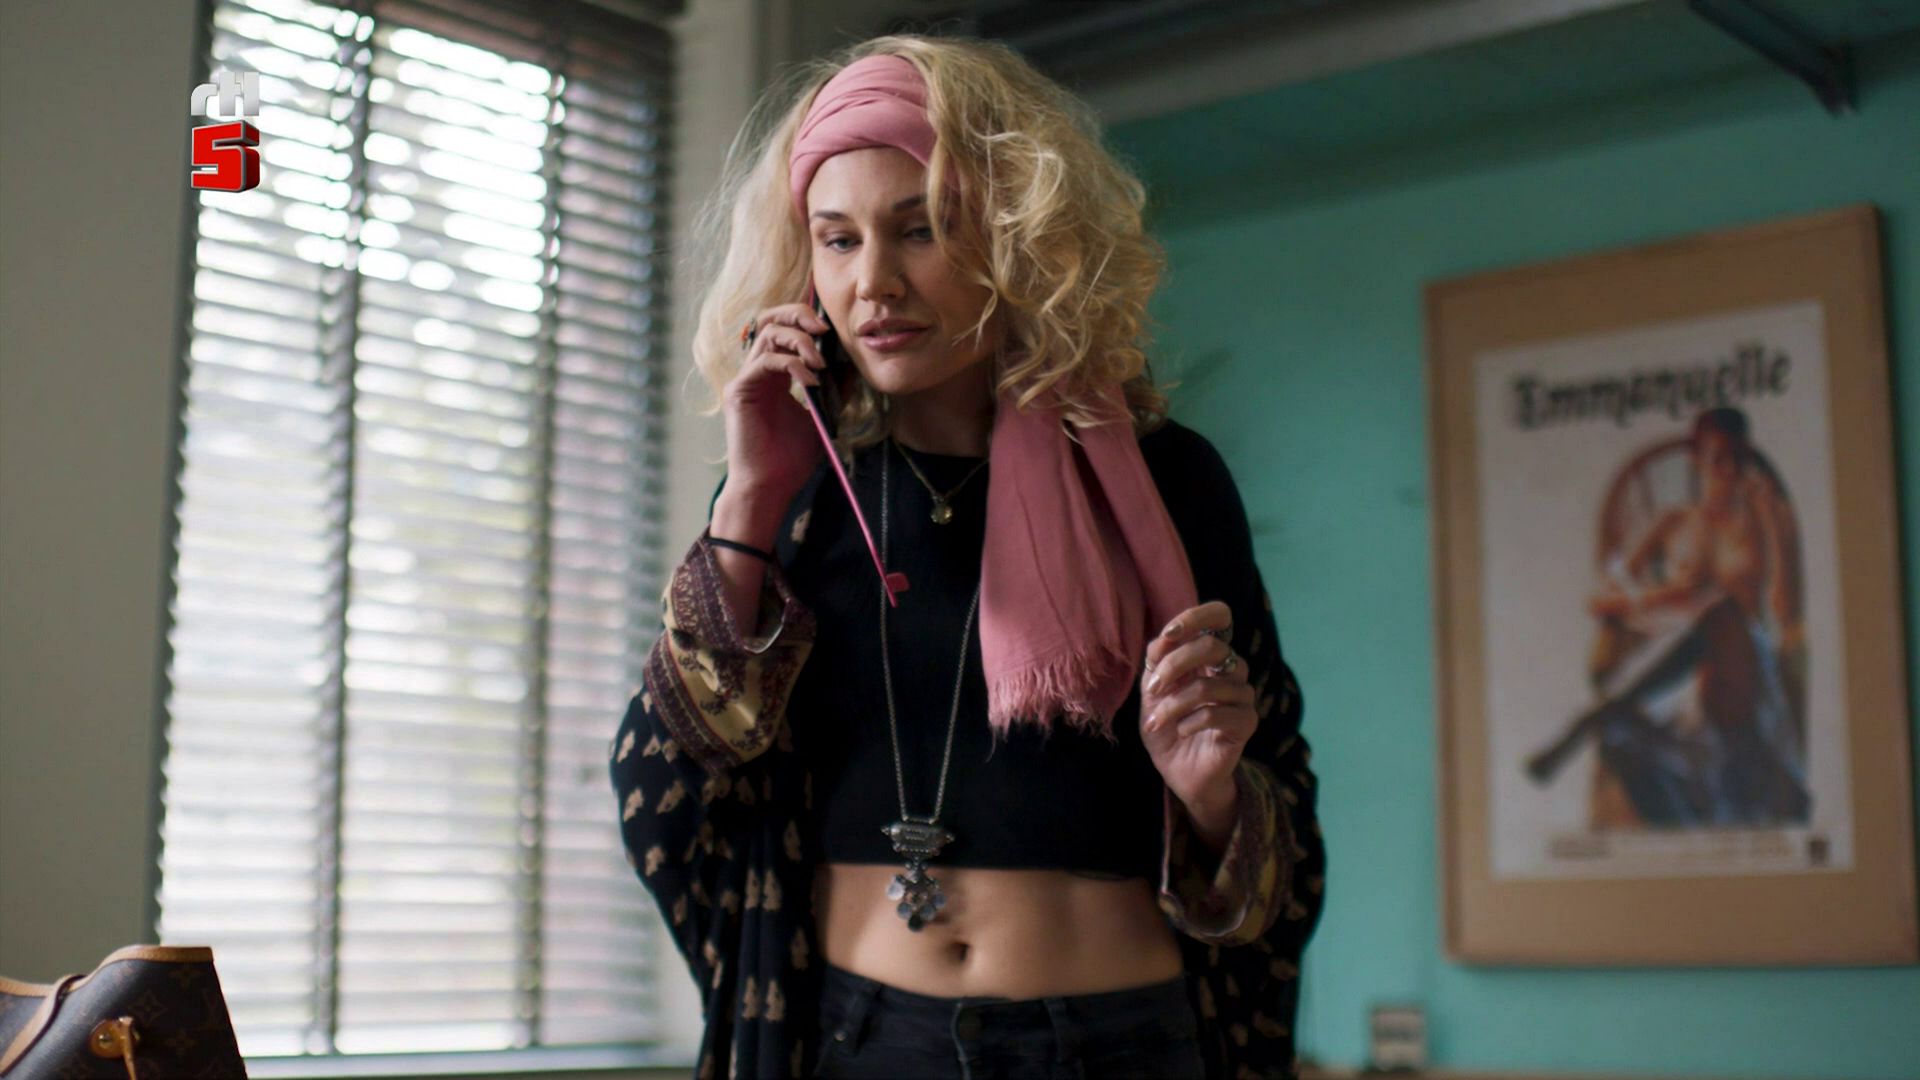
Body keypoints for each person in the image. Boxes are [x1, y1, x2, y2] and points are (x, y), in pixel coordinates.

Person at [610, 35, 1323, 1079]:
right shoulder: (795, 493)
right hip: (860, 1039)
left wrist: (1212, 797)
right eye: (837, 240)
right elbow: (663, 786)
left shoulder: (1165, 481)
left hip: (1119, 1043)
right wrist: (752, 494)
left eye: (922, 228)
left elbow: (1278, 836)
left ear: (1016, 235)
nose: (874, 283)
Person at [1531, 406, 1808, 826]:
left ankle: (1586, 722)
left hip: (1741, 672)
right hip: (1672, 676)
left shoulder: (1761, 518)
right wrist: (1665, 596)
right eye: (1718, 459)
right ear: (1696, 460)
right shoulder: (1673, 521)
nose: (1729, 471)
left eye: (1738, 459)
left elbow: (1785, 612)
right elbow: (1599, 600)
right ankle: (1613, 725)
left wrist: (1772, 520)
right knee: (1623, 739)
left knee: (1720, 609)